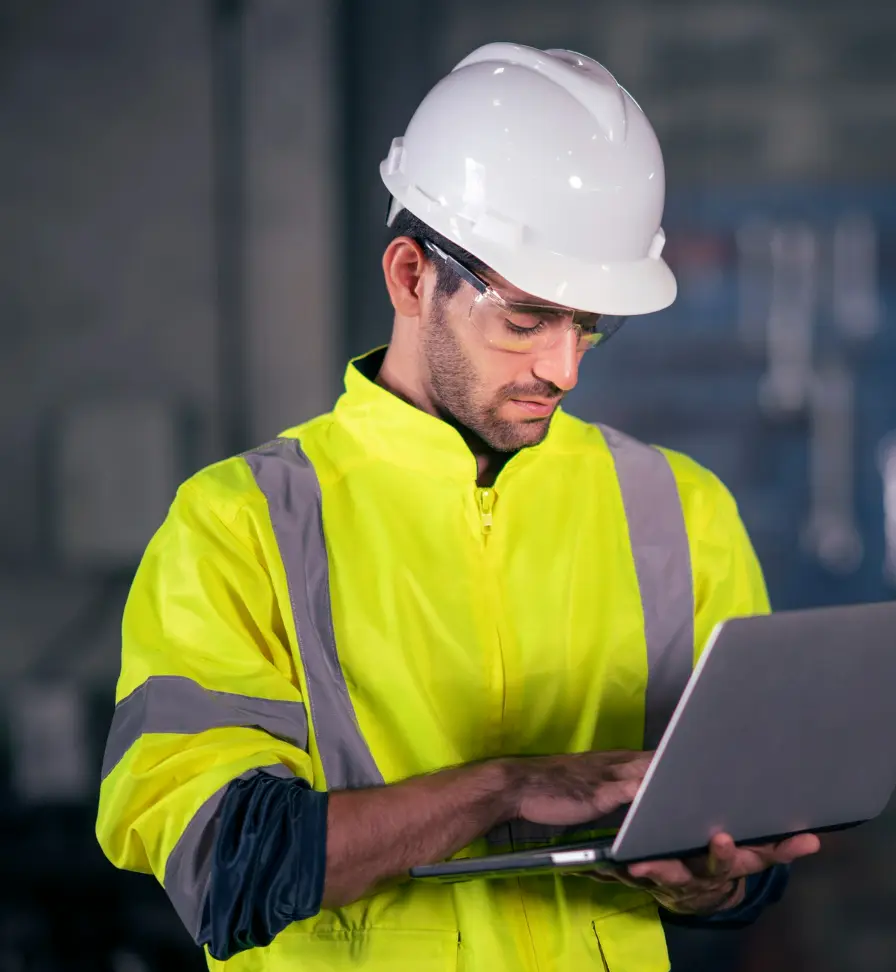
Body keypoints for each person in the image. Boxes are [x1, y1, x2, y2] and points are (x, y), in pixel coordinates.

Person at [95, 42, 819, 970]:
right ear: (410, 276)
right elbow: (226, 864)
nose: (562, 367)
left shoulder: (679, 512)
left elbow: (742, 840)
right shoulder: (240, 525)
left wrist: (714, 880)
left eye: (588, 326)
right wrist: (504, 788)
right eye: (526, 320)